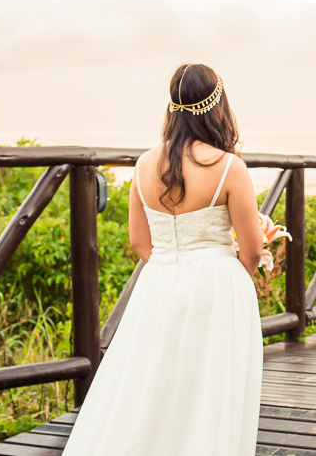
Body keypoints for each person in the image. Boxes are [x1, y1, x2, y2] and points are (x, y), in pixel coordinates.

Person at [61, 64, 264, 455]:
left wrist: (173, 265)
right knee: (211, 388)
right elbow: (252, 249)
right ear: (218, 106)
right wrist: (232, 274)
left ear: (172, 107)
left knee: (151, 382)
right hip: (217, 285)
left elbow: (139, 242)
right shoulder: (229, 167)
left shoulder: (142, 164)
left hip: (158, 283)